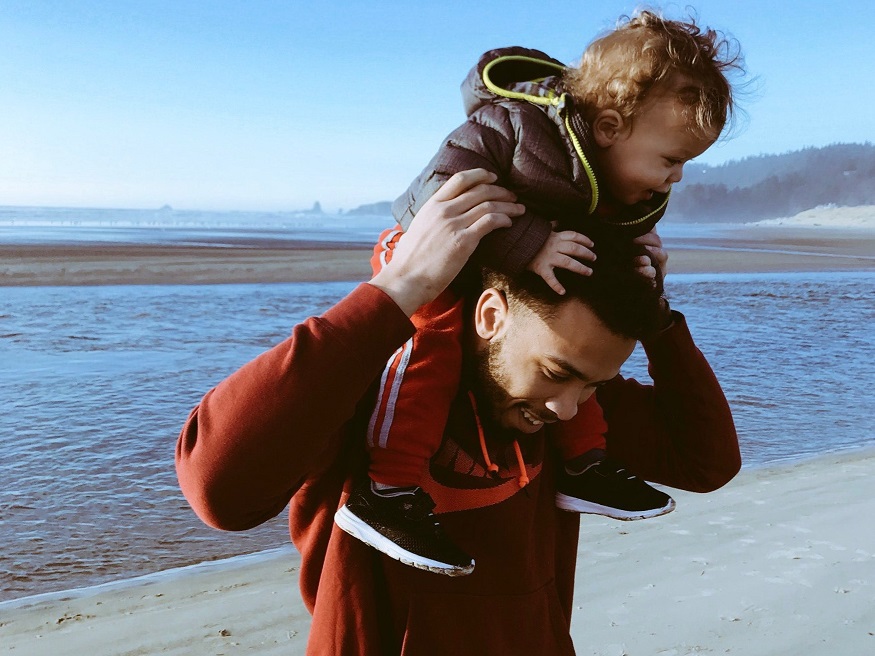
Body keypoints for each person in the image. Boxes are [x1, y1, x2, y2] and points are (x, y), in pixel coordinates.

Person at [176, 169, 741, 655]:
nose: (569, 408)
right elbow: (218, 492)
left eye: (595, 383)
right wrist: (396, 290)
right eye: (557, 373)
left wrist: (658, 321)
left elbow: (706, 462)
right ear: (491, 315)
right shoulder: (373, 384)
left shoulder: (572, 399)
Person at [347, 8, 745, 573]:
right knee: (429, 350)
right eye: (672, 160)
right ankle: (387, 490)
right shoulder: (514, 126)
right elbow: (432, 196)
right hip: (425, 258)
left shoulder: (617, 184)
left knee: (579, 366)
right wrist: (529, 245)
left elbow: (709, 462)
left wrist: (644, 292)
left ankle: (584, 466)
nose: (677, 176)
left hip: (518, 281)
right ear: (610, 127)